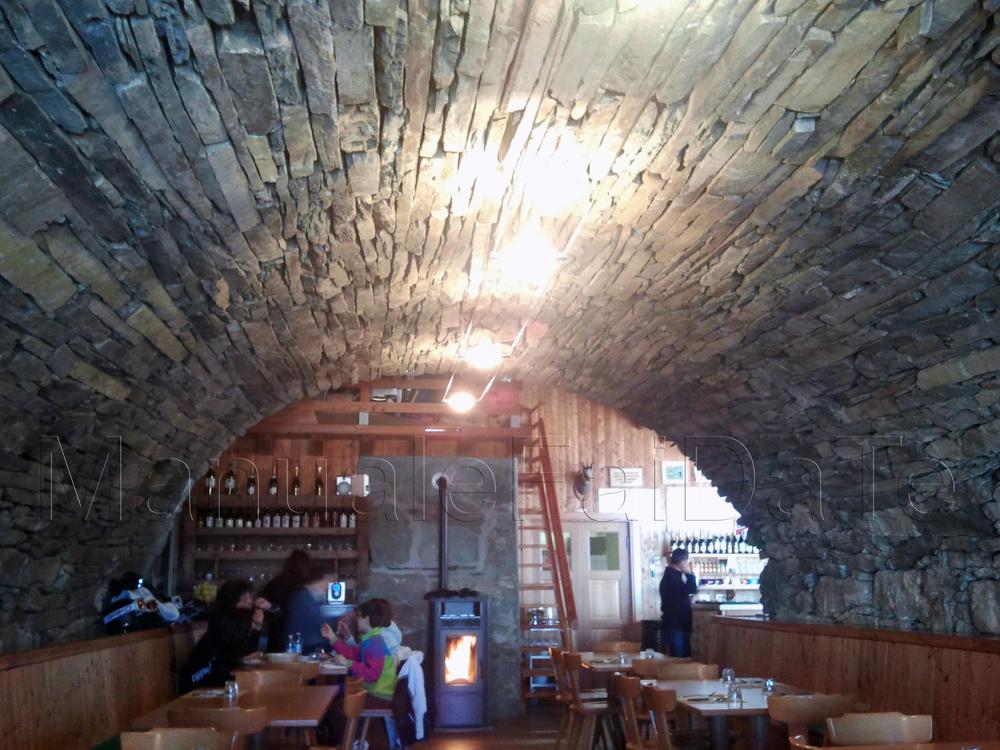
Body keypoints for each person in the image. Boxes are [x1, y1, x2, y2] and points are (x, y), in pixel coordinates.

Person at [179, 580, 271, 691]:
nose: (251, 602)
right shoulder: (225, 621)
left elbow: (244, 653)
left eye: (249, 598)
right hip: (201, 683)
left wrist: (257, 627)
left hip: (215, 680)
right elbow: (230, 656)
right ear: (232, 601)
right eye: (245, 599)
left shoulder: (232, 618)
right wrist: (256, 628)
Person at [322, 599, 398, 704]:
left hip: (378, 694)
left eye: (358, 616)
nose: (356, 620)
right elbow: (353, 653)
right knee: (332, 690)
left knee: (331, 692)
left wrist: (347, 663)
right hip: (371, 689)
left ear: (366, 619)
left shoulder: (374, 643)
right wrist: (332, 638)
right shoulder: (371, 638)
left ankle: (346, 719)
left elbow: (373, 675)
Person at [258, 549, 311, 650]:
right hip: (296, 636)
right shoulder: (302, 585)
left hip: (276, 635)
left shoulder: (275, 582)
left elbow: (263, 607)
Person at [283, 564, 332, 654]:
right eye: (329, 580)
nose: (330, 584)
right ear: (320, 579)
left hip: (313, 647)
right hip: (306, 648)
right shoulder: (302, 597)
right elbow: (318, 623)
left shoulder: (317, 597)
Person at [659, 547, 698, 657]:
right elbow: (692, 589)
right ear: (681, 562)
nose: (687, 564)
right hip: (676, 625)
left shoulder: (671, 577)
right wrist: (689, 573)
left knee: (679, 659)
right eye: (686, 561)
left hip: (675, 624)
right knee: (680, 660)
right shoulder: (673, 579)